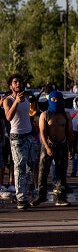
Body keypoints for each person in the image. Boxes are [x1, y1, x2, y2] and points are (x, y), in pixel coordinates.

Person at [3, 74, 39, 209]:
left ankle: (27, 193)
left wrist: (33, 126)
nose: (18, 84)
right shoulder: (9, 100)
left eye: (20, 81)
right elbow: (8, 117)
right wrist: (16, 102)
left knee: (31, 164)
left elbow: (28, 115)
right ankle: (20, 198)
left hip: (29, 135)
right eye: (15, 82)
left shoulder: (26, 99)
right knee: (19, 167)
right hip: (17, 137)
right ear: (10, 86)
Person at [31, 91, 73, 207]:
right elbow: (42, 133)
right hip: (48, 145)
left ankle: (60, 197)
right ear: (50, 100)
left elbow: (70, 133)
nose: (56, 102)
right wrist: (47, 147)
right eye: (53, 99)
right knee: (43, 171)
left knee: (61, 172)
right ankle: (41, 195)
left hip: (62, 145)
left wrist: (71, 148)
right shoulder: (45, 115)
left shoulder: (66, 115)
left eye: (58, 99)